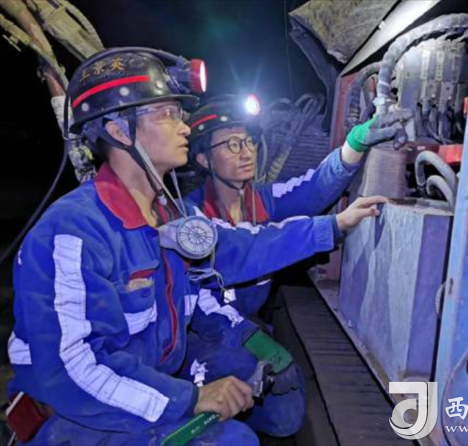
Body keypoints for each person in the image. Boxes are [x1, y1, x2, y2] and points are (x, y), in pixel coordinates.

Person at [6, 48, 388, 446]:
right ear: (119, 131)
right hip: (79, 413)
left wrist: (334, 226)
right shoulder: (73, 232)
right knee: (235, 442)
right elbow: (71, 370)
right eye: (167, 114)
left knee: (279, 400)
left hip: (143, 376)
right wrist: (190, 398)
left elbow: (236, 252)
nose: (184, 126)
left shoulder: (170, 214)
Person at [185, 94, 408, 316]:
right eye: (233, 145)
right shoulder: (191, 218)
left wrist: (354, 144)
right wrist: (334, 224)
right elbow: (251, 247)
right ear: (204, 160)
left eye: (249, 141)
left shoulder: (263, 198)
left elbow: (313, 188)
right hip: (211, 330)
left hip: (248, 320)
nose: (247, 153)